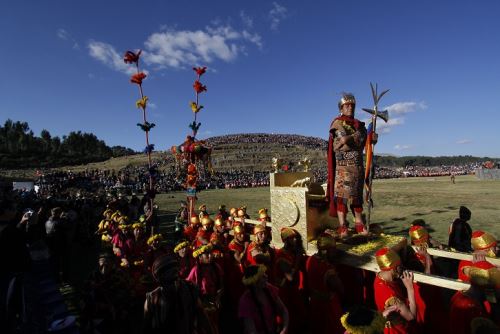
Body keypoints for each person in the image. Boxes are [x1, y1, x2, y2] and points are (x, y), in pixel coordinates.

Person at [326, 93, 371, 236]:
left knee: (357, 197)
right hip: (343, 166)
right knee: (342, 197)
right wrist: (355, 138)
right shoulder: (337, 123)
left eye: (352, 105)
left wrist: (367, 138)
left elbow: (360, 141)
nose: (350, 108)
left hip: (357, 166)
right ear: (341, 107)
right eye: (347, 105)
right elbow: (341, 143)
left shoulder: (360, 125)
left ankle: (359, 223)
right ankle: (343, 225)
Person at [143, 254, 213, 334]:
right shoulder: (152, 298)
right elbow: (146, 327)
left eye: (174, 278)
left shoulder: (190, 290)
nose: (173, 284)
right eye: (168, 281)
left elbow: (202, 316)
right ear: (160, 281)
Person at [305, 233, 344, 334]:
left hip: (315, 303)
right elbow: (339, 288)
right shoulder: (327, 269)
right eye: (333, 249)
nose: (335, 252)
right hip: (328, 306)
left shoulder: (311, 259)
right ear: (326, 251)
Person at [373, 247, 417, 333]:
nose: (402, 268)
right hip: (399, 330)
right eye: (400, 266)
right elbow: (411, 317)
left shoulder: (379, 276)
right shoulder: (392, 297)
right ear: (394, 269)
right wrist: (410, 288)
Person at [238, 265, 289, 334]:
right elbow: (252, 331)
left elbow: (283, 310)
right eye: (262, 276)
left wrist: (284, 329)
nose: (266, 276)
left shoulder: (269, 289)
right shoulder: (246, 301)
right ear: (255, 283)